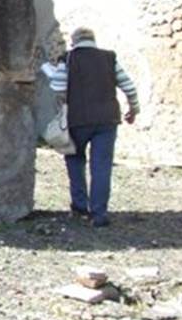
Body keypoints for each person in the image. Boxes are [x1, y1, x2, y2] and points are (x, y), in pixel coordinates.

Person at [44, 27, 140, 227]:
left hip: (77, 120)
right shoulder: (109, 58)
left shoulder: (69, 59)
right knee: (102, 167)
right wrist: (133, 109)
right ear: (93, 40)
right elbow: (129, 86)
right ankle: (99, 214)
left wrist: (61, 102)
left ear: (74, 41)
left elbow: (58, 88)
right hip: (107, 120)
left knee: (75, 161)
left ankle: (80, 206)